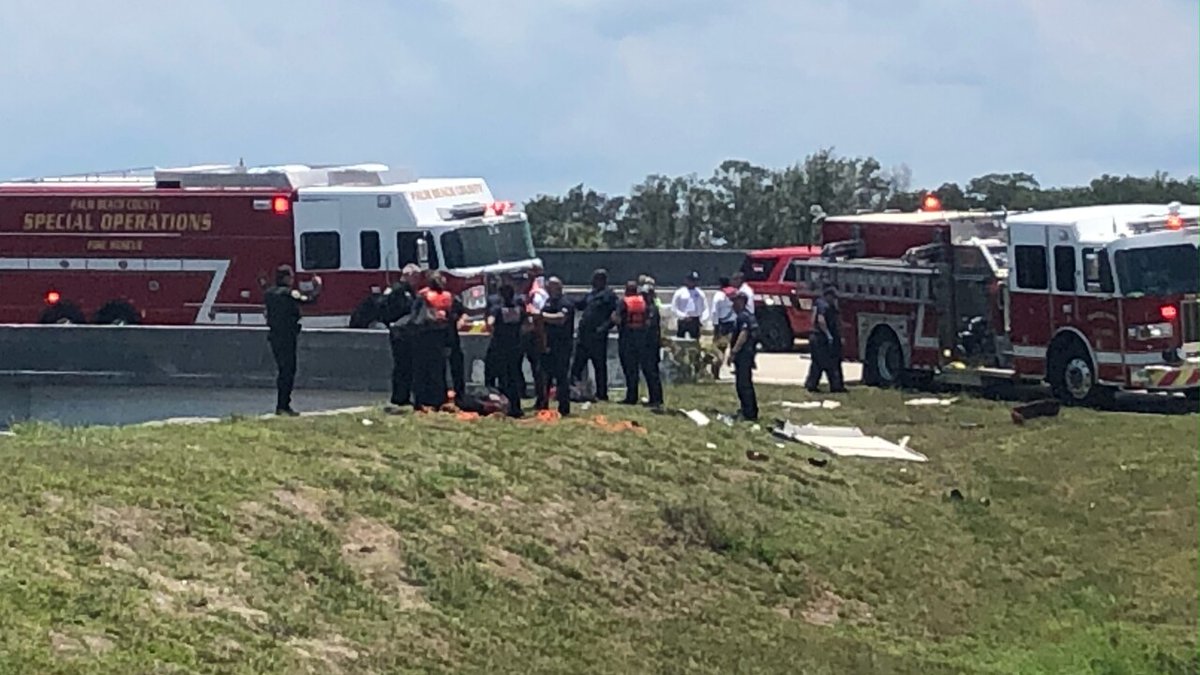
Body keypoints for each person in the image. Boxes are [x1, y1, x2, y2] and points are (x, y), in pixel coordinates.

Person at [262, 264, 321, 416]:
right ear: (286, 278)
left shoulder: (269, 293)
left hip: (274, 336)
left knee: (282, 370)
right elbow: (307, 300)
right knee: (288, 371)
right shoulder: (289, 293)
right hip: (287, 337)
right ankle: (283, 405)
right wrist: (317, 287)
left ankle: (281, 405)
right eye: (291, 277)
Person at [571, 269, 617, 401]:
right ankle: (576, 391)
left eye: (596, 278)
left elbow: (614, 316)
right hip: (584, 336)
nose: (593, 281)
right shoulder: (591, 294)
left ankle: (601, 394)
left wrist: (603, 329)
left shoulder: (609, 295)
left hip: (597, 337)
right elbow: (580, 305)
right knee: (577, 365)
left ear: (602, 280)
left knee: (599, 366)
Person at [411, 272, 455, 409]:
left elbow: (414, 316)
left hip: (424, 335)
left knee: (421, 369)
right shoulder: (447, 297)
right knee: (439, 369)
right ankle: (438, 399)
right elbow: (451, 319)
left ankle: (421, 399)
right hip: (441, 336)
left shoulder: (422, 296)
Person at [381, 264, 420, 407]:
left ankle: (404, 395)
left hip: (405, 331)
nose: (417, 280)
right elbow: (400, 310)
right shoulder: (399, 290)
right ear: (408, 275)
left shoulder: (406, 290)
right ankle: (399, 397)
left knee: (407, 366)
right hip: (400, 332)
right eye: (415, 277)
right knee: (402, 366)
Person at [487, 283, 526, 417]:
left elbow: (491, 323)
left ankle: (507, 406)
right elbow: (527, 324)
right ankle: (516, 406)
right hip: (516, 345)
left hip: (501, 347)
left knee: (503, 377)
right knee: (514, 376)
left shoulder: (498, 309)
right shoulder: (519, 309)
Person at [537, 277, 574, 416]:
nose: (547, 287)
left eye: (550, 286)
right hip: (548, 344)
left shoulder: (566, 302)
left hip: (562, 346)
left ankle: (564, 407)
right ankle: (543, 404)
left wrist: (541, 316)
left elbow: (560, 318)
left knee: (561, 377)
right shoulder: (547, 302)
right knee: (544, 376)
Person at [805, 285, 847, 393]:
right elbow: (821, 320)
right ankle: (835, 385)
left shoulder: (818, 303)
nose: (835, 299)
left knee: (817, 363)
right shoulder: (825, 305)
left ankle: (812, 384)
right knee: (831, 362)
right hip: (821, 338)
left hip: (815, 336)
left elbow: (812, 319)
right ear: (828, 295)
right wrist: (828, 334)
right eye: (833, 297)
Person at [727, 292, 759, 421]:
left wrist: (734, 352)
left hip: (743, 354)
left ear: (741, 302)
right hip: (746, 354)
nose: (732, 304)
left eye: (735, 301)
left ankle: (749, 413)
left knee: (743, 384)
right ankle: (747, 409)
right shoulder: (746, 316)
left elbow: (743, 334)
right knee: (743, 383)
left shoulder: (744, 317)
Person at [709, 276, 738, 379]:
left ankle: (716, 372)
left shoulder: (718, 295)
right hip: (733, 323)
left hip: (722, 325)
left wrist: (715, 326)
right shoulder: (734, 294)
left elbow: (714, 312)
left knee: (719, 349)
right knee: (731, 348)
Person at [671, 271, 709, 340]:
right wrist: (683, 316)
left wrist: (703, 320)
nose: (693, 282)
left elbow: (705, 308)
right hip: (683, 320)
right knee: (680, 340)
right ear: (686, 280)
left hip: (695, 320)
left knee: (695, 341)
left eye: (695, 280)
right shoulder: (679, 292)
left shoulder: (700, 293)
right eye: (691, 280)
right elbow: (674, 308)